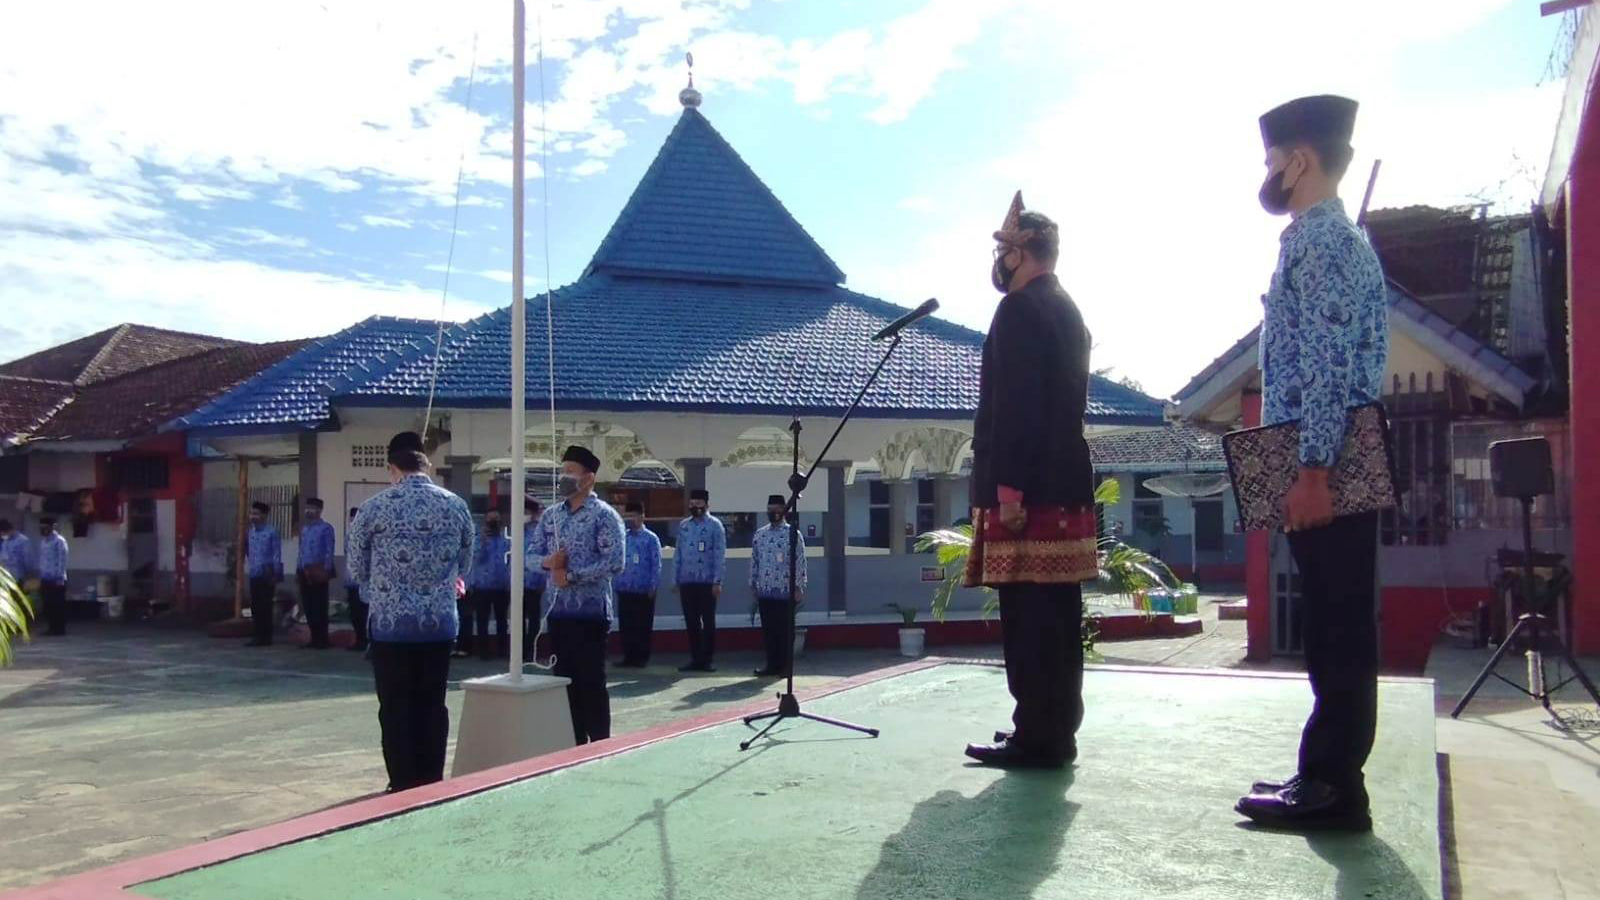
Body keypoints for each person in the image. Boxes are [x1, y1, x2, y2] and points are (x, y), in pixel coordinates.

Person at [1234, 95, 1388, 833]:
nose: (1266, 173)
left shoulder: (1323, 242)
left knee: (1337, 625)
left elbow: (1328, 361)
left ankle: (1333, 788)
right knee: (1334, 622)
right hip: (1322, 449)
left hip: (1328, 456)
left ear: (1298, 159)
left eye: (1271, 160)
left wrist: (1315, 469)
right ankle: (1322, 775)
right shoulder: (1323, 237)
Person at [962, 192, 1099, 770]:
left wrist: (1009, 490)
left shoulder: (1019, 310)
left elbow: (1016, 405)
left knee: (1030, 618)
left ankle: (1036, 735)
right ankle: (1053, 729)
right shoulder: (1067, 308)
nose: (998, 260)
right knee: (1059, 616)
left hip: (1030, 490)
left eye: (1003, 249)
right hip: (1066, 483)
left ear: (1023, 252)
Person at [347, 431, 475, 792]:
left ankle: (402, 781)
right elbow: (465, 562)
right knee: (432, 704)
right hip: (438, 625)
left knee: (395, 706)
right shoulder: (456, 506)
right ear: (427, 464)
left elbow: (357, 568)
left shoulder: (374, 508)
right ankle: (430, 778)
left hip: (390, 627)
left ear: (392, 467)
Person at [529, 445, 625, 745]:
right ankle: (572, 744)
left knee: (591, 682)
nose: (564, 477)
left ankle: (599, 744)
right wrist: (548, 563)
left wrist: (570, 576)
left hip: (590, 614)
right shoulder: (551, 516)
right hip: (558, 614)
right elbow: (530, 554)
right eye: (563, 470)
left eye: (571, 471)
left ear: (589, 478)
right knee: (564, 682)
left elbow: (614, 561)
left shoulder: (604, 515)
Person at [750, 494, 806, 677]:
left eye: (777, 510)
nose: (773, 513)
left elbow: (800, 560)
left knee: (785, 631)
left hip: (785, 590)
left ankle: (785, 667)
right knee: (769, 630)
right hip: (765, 590)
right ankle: (771, 665)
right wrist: (753, 583)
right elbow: (755, 560)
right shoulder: (760, 534)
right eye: (770, 510)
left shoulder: (792, 533)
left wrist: (799, 586)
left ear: (784, 511)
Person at [674, 489, 725, 672]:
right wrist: (676, 578)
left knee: (708, 621)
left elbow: (719, 555)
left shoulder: (715, 526)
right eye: (692, 504)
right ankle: (695, 658)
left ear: (706, 505)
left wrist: (717, 581)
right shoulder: (684, 526)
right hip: (687, 580)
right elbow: (678, 553)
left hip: (707, 581)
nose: (695, 507)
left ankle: (707, 659)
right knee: (691, 621)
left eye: (699, 504)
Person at [613, 502, 662, 668]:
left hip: (643, 589)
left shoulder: (651, 538)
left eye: (634, 515)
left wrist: (653, 585)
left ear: (642, 516)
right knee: (626, 625)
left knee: (642, 625)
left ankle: (642, 657)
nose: (631, 520)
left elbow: (656, 564)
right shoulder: (623, 537)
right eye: (629, 516)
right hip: (625, 588)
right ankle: (628, 656)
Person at [467, 511, 511, 660]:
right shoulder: (478, 539)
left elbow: (511, 558)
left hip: (501, 586)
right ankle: (484, 652)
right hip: (482, 586)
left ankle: (502, 650)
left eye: (496, 520)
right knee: (482, 620)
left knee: (502, 620)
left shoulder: (506, 539)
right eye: (491, 520)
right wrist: (483, 541)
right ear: (485, 521)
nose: (493, 523)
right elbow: (475, 558)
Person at [296, 497, 336, 649]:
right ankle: (313, 638)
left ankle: (323, 639)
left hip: (318, 571)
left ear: (319, 510)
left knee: (320, 605)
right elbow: (301, 550)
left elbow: (329, 550)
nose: (308, 511)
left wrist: (326, 570)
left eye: (312, 508)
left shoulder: (326, 528)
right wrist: (298, 568)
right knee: (308, 606)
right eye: (307, 508)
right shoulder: (305, 529)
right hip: (303, 571)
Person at [243, 502, 283, 647]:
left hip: (268, 573)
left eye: (257, 514)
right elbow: (247, 550)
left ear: (265, 515)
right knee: (255, 606)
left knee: (266, 606)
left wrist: (276, 573)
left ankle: (266, 637)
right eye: (251, 513)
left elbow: (276, 553)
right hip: (254, 573)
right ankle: (257, 635)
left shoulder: (272, 532)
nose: (253, 517)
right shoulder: (250, 532)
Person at [33, 517, 70, 637]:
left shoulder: (59, 541)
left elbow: (62, 560)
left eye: (45, 527)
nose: (43, 530)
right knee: (47, 605)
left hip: (57, 579)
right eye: (41, 527)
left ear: (52, 527)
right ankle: (51, 627)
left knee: (57, 605)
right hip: (45, 578)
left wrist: (59, 578)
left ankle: (59, 629)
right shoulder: (44, 541)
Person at [521, 497, 546, 662]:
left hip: (534, 581)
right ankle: (521, 650)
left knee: (534, 618)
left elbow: (543, 556)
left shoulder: (540, 530)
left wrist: (542, 580)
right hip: (518, 582)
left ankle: (531, 650)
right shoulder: (519, 529)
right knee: (519, 618)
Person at [345, 507, 369, 653]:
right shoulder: (348, 535)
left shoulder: (366, 535)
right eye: (351, 518)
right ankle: (359, 640)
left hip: (364, 581)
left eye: (356, 518)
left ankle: (366, 641)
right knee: (354, 613)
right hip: (351, 580)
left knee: (364, 612)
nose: (353, 521)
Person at [0, 519, 30, 583]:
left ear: (9, 530)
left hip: (18, 578)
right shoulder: (5, 541)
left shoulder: (23, 541)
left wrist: (27, 576)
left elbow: (27, 561)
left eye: (2, 533)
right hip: (5, 578)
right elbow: (2, 556)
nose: (2, 536)